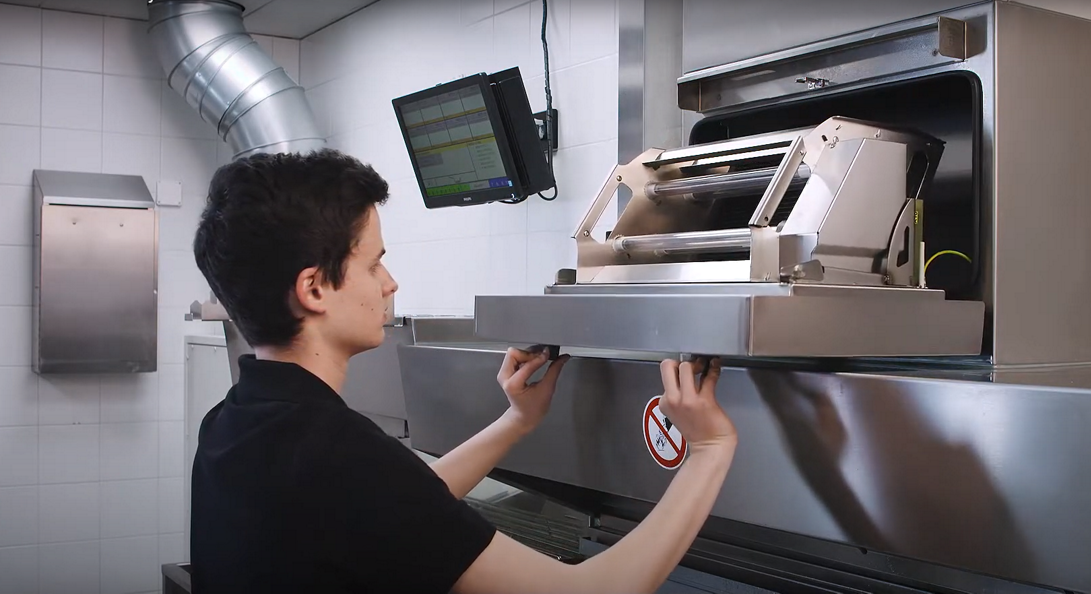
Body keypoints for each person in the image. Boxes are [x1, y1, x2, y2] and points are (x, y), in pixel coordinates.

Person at [189, 148, 738, 593]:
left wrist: (516, 422)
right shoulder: (332, 447)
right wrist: (709, 451)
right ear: (314, 289)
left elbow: (395, 503)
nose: (390, 283)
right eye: (373, 263)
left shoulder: (233, 424)